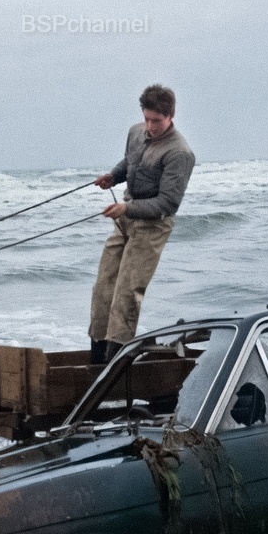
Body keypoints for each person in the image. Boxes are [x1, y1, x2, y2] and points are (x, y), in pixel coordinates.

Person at [89, 85, 196, 364]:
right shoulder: (136, 132)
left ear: (171, 116)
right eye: (147, 119)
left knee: (127, 294)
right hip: (126, 218)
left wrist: (127, 207)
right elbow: (131, 161)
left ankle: (114, 367)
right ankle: (96, 362)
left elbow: (167, 204)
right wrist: (113, 176)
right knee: (103, 288)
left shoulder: (180, 153)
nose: (150, 127)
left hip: (152, 226)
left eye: (157, 121)